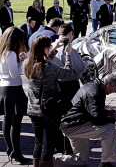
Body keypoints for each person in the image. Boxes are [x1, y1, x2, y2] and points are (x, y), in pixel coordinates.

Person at [24, 34, 74, 167]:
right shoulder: (49, 68)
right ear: (44, 49)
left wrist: (55, 49)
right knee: (47, 144)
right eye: (49, 46)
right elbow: (68, 72)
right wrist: (68, 54)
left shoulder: (28, 64)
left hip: (33, 109)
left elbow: (44, 62)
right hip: (48, 110)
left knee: (38, 142)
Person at [59, 74, 116, 167]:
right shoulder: (95, 92)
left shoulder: (94, 86)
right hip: (73, 125)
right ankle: (106, 163)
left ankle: (48, 161)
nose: (114, 91)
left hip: (73, 123)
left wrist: (106, 113)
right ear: (108, 86)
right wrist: (112, 119)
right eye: (115, 89)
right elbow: (97, 119)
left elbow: (91, 109)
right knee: (109, 129)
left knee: (81, 161)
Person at [51, 24, 87, 155]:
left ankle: (59, 145)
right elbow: (80, 68)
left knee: (60, 117)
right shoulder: (69, 48)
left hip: (57, 86)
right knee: (70, 117)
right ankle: (69, 147)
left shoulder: (53, 47)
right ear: (71, 33)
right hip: (70, 86)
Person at [0, 27, 30, 164]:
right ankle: (16, 152)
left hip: (4, 88)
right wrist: (23, 61)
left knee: (7, 121)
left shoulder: (4, 52)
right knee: (16, 124)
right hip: (13, 89)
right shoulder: (11, 53)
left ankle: (10, 149)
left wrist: (19, 59)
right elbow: (15, 74)